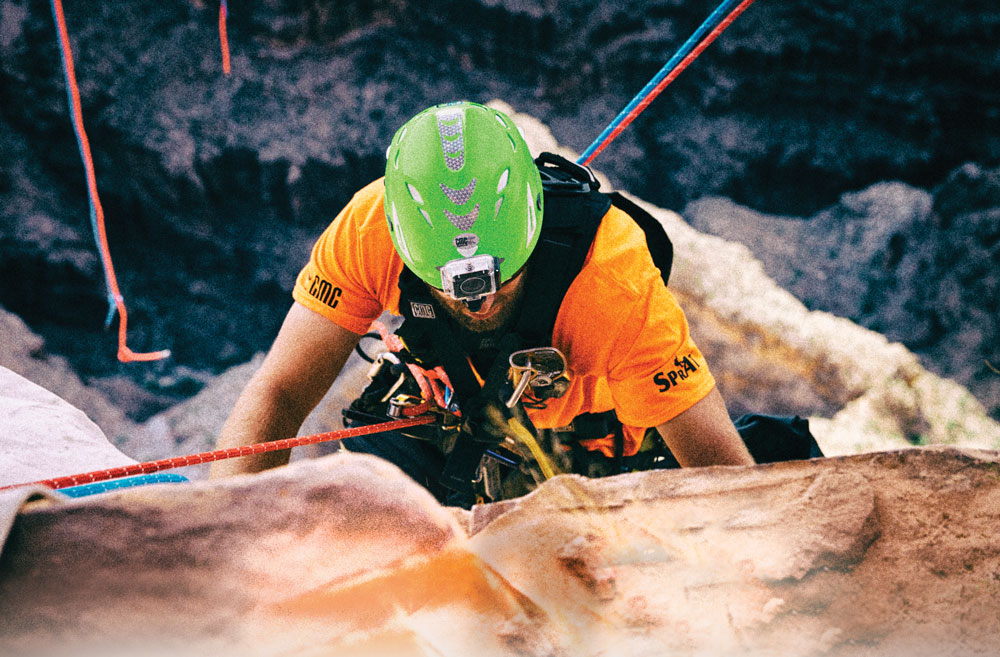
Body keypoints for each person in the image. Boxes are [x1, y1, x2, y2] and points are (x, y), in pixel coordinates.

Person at [210, 101, 756, 503]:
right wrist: (231, 540)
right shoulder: (369, 228)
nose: (479, 303)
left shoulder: (613, 279)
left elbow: (722, 478)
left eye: (504, 278)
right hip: (442, 410)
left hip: (587, 443)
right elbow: (280, 392)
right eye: (452, 288)